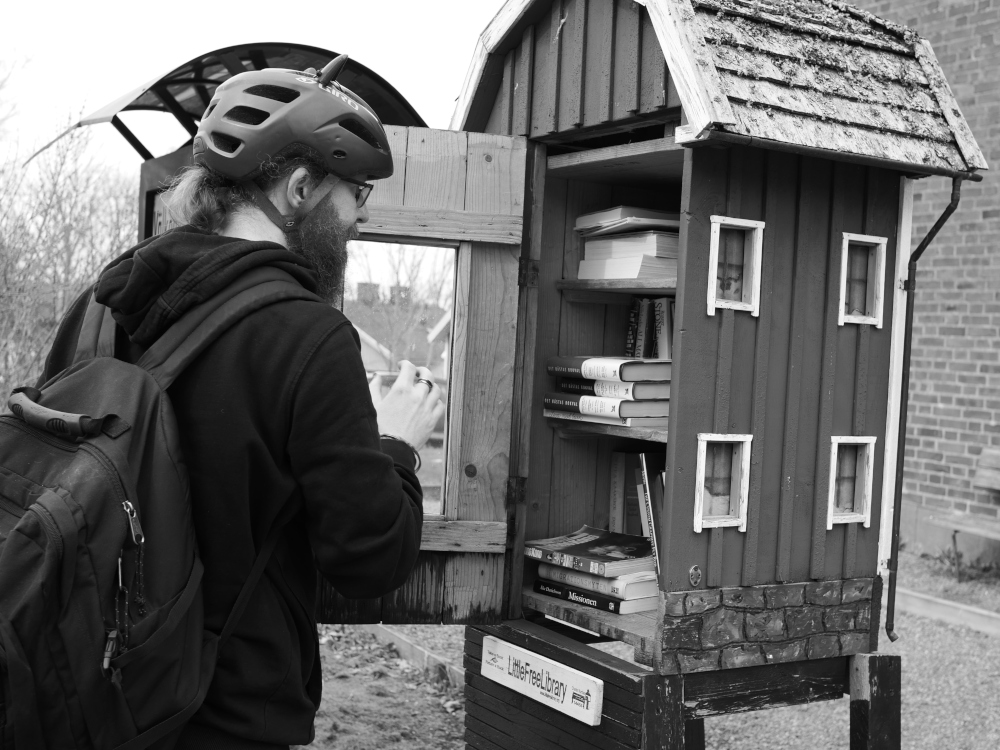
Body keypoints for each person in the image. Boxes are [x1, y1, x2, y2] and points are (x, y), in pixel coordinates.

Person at [38, 56, 444, 750]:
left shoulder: (102, 304)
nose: (362, 215)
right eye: (355, 191)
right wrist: (397, 447)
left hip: (86, 694)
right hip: (225, 717)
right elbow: (368, 560)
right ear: (299, 187)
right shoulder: (310, 338)